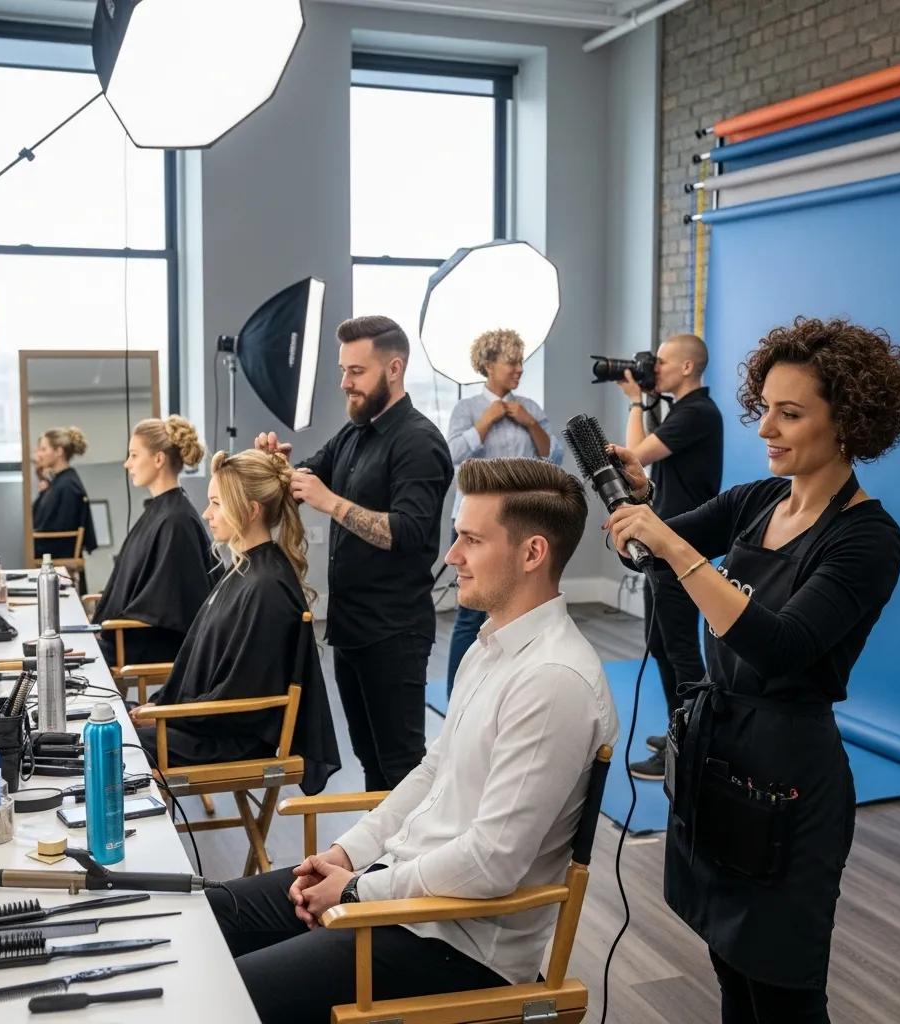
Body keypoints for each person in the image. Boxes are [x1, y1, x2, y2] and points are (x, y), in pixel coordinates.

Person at [205, 457, 619, 1024]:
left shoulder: (553, 682)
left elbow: (492, 862)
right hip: (401, 896)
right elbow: (431, 775)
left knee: (224, 999)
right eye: (456, 537)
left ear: (532, 554)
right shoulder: (491, 647)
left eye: (471, 540)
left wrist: (355, 894)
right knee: (210, 914)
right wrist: (346, 855)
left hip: (456, 946)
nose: (451, 557)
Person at [603, 317, 900, 1023]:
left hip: (791, 777)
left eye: (791, 413)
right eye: (766, 409)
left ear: (849, 423)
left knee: (783, 985)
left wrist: (672, 547)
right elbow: (652, 552)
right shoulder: (758, 501)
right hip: (719, 756)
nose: (767, 428)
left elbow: (779, 644)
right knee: (729, 968)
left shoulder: (867, 537)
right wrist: (636, 508)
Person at [257, 315, 453, 791]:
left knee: (401, 763)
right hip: (352, 628)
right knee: (368, 757)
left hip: (395, 632)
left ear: (394, 368)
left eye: (356, 372)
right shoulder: (354, 433)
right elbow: (307, 475)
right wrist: (278, 466)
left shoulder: (419, 443)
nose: (345, 383)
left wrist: (329, 501)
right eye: (343, 371)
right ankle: (376, 862)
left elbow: (407, 532)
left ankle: (408, 863)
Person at [130, 449, 340, 794]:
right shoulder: (246, 568)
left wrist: (168, 714)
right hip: (207, 724)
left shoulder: (266, 587)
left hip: (231, 739)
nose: (206, 513)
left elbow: (244, 696)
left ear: (251, 510)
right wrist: (165, 707)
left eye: (216, 503)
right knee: (112, 720)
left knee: (116, 744)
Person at [615, 333, 722, 780]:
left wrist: (637, 403)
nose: (653, 367)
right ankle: (681, 727)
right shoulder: (684, 412)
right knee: (660, 643)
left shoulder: (698, 413)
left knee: (678, 647)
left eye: (661, 361)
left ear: (686, 368)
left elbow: (633, 456)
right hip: (664, 542)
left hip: (681, 548)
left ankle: (693, 741)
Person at [444, 327, 563, 695]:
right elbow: (450, 457)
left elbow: (553, 456)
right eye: (511, 362)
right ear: (488, 365)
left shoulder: (531, 408)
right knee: (471, 615)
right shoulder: (466, 409)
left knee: (521, 610)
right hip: (475, 524)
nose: (518, 370)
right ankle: (458, 699)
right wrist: (485, 424)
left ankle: (511, 692)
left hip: (523, 522)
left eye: (520, 363)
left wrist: (528, 422)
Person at [92, 416, 217, 669]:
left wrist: (109, 625)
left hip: (157, 640)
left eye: (134, 455)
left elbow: (166, 602)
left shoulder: (175, 520)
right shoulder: (163, 511)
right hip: (132, 633)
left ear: (159, 459)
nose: (128, 464)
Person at [32, 426, 97, 561]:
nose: (39, 455)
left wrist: (28, 545)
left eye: (44, 449)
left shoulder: (68, 486)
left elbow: (60, 530)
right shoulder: (58, 483)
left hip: (58, 558)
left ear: (58, 451)